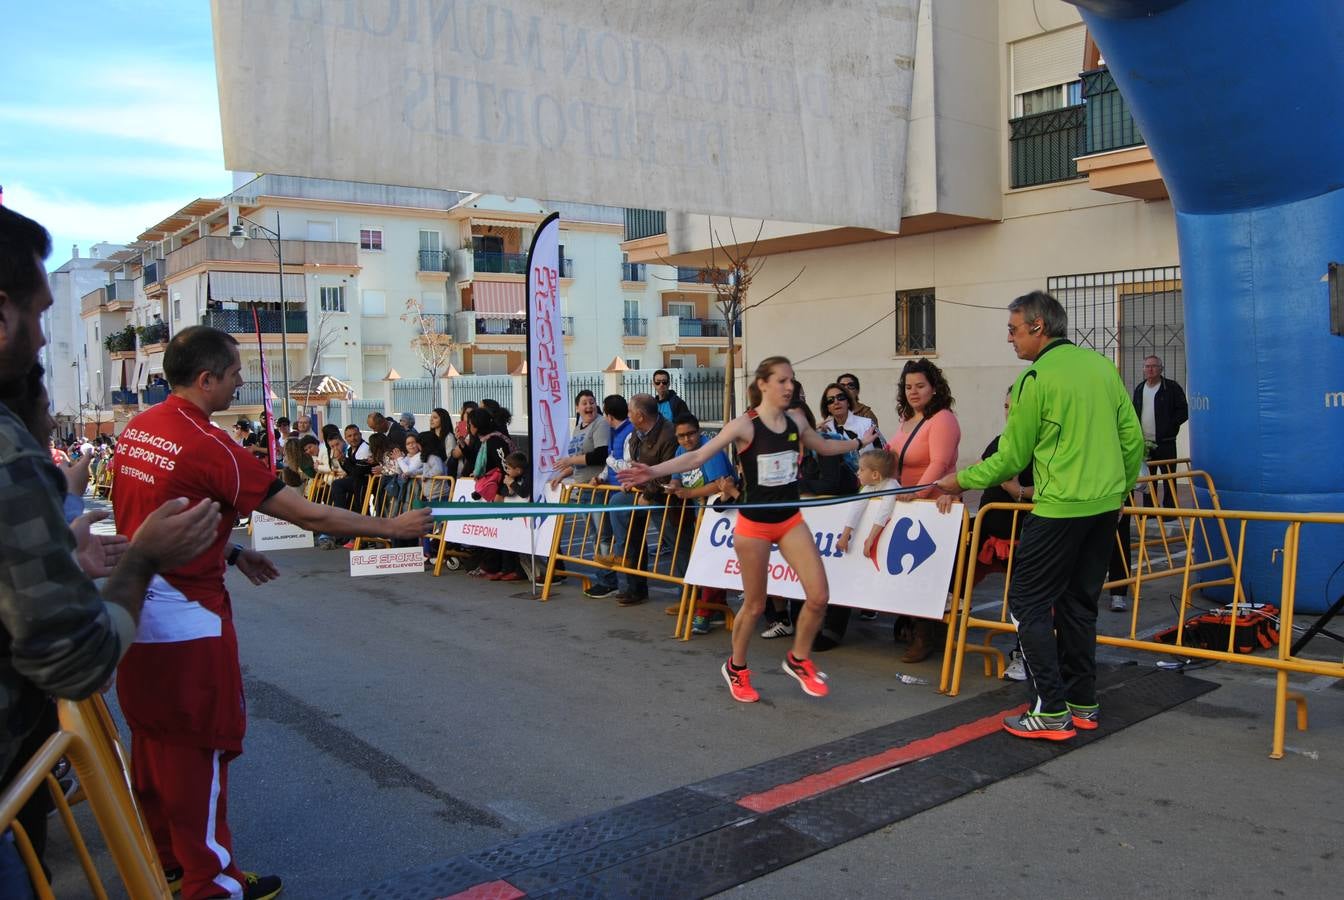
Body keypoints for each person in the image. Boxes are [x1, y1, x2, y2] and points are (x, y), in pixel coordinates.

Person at [111, 325, 430, 899]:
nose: (241, 382)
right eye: (235, 374)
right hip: (188, 617)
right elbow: (309, 514)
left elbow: (158, 512)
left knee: (154, 740)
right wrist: (392, 526)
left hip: (137, 606)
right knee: (200, 748)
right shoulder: (211, 445)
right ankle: (212, 884)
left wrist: (232, 551)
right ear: (206, 379)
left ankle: (168, 864)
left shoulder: (140, 428)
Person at [0, 208, 222, 899]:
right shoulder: (10, 458)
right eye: (39, 314)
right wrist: (142, 558)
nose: (44, 335)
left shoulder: (141, 433)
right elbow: (74, 660)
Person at [936, 291, 1144, 740]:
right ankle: (1082, 703)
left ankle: (1049, 708)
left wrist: (961, 480)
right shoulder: (1101, 367)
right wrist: (1120, 491)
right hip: (1103, 508)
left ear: (1037, 327)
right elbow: (1132, 439)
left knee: (1026, 603)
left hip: (1059, 510)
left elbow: (1012, 456)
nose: (1009, 338)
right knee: (1078, 605)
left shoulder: (1035, 378)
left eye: (1013, 329)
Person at [620, 356, 875, 702]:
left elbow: (824, 445)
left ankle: (798, 659)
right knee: (754, 605)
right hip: (754, 525)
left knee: (818, 595)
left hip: (789, 521)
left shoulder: (797, 420)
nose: (789, 386)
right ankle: (736, 667)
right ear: (764, 385)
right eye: (782, 380)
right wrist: (652, 471)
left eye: (792, 380)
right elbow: (696, 456)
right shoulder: (744, 426)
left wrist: (859, 443)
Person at [937, 385, 1035, 680]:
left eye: (1015, 407)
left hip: (1027, 534)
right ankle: (941, 617)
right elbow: (978, 470)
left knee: (1027, 601)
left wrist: (1019, 491)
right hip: (988, 530)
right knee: (955, 566)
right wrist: (954, 489)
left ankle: (1026, 656)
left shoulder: (1044, 444)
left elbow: (1055, 488)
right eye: (1006, 406)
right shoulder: (1001, 441)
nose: (1009, 412)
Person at [890, 357, 961, 662]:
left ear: (935, 388)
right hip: (908, 507)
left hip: (933, 508)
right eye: (908, 387)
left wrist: (915, 493)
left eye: (920, 385)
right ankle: (913, 627)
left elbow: (939, 463)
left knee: (927, 574)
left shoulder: (943, 419)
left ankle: (927, 636)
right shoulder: (907, 419)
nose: (913, 392)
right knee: (907, 573)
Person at [667, 413, 738, 634]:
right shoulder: (680, 451)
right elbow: (676, 475)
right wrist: (674, 485)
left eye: (690, 434)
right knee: (709, 562)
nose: (686, 439)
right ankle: (715, 608)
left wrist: (689, 493)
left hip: (722, 514)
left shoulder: (710, 450)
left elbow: (719, 485)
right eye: (681, 436)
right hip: (702, 514)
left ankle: (705, 612)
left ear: (699, 432)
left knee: (710, 562)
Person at [581, 395, 635, 599]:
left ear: (609, 415)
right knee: (605, 536)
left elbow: (628, 465)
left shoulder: (630, 433)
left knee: (624, 541)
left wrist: (610, 461)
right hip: (611, 492)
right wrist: (601, 477)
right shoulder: (613, 432)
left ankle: (627, 585)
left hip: (625, 494)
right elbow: (609, 463)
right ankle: (611, 581)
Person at [1132, 355, 1188, 509]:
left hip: (1166, 442)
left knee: (1169, 477)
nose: (1150, 369)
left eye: (1154, 366)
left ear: (1161, 369)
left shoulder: (1171, 388)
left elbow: (1183, 411)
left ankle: (1170, 509)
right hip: (1146, 444)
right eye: (1147, 366)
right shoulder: (1140, 389)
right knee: (1148, 479)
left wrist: (1170, 426)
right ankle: (1150, 509)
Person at [548, 390, 610, 489]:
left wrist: (570, 460)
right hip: (581, 486)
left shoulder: (601, 423)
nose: (589, 406)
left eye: (592, 402)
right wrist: (560, 476)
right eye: (584, 403)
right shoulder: (577, 429)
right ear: (577, 408)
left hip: (596, 487)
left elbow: (600, 455)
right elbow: (576, 463)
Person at [818, 381, 875, 473]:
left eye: (840, 397)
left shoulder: (867, 424)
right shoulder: (824, 431)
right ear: (827, 408)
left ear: (848, 402)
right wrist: (815, 433)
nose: (836, 402)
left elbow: (883, 454)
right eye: (830, 400)